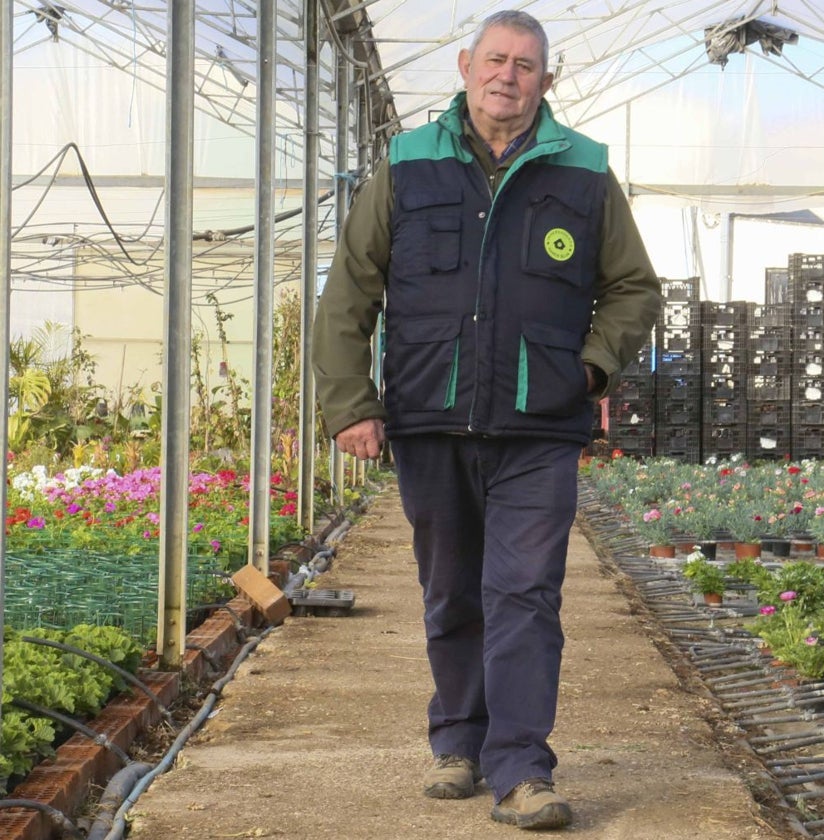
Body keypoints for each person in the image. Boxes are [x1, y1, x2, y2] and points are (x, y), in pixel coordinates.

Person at [312, 9, 661, 831]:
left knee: (525, 594)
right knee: (450, 593)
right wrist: (350, 404)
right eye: (496, 60)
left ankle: (521, 771)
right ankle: (457, 742)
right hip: (430, 415)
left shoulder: (583, 171)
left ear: (547, 79)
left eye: (527, 65)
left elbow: (635, 289)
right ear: (466, 66)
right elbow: (349, 293)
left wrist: (589, 366)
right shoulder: (406, 166)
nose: (509, 76)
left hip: (539, 426)